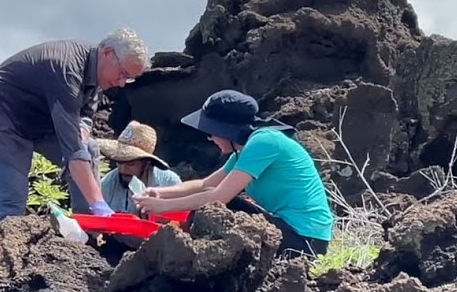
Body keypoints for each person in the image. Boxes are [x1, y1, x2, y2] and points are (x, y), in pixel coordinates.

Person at [0, 29, 150, 221]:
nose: (123, 83)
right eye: (123, 73)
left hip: (37, 121)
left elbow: (85, 116)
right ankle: (6, 246)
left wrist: (81, 136)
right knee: (11, 202)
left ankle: (89, 227)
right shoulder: (67, 69)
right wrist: (99, 202)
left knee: (89, 148)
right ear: (108, 53)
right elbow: (72, 150)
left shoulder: (95, 75)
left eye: (129, 78)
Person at [134, 89, 334, 256]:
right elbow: (205, 184)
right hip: (292, 231)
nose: (210, 138)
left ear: (226, 130)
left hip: (306, 240)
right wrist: (160, 193)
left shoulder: (264, 142)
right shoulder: (245, 150)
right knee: (211, 207)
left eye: (211, 131)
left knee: (213, 210)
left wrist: (162, 207)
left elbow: (219, 197)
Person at [97, 120, 182, 216]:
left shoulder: (169, 183)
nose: (122, 170)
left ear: (146, 163)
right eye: (119, 163)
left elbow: (179, 221)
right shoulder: (107, 184)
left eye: (130, 164)